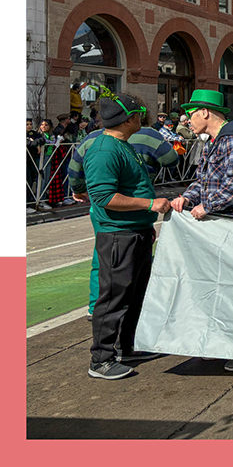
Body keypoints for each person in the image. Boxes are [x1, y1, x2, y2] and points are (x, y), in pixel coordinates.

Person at [171, 89, 233, 373]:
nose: (187, 120)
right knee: (220, 288)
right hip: (226, 225)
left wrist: (207, 206)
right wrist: (188, 197)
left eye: (190, 114)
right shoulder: (215, 141)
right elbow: (204, 180)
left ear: (205, 112)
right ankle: (221, 342)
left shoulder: (232, 140)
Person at [83, 95, 172, 380]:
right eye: (139, 113)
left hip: (134, 232)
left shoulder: (122, 145)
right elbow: (104, 196)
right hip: (118, 235)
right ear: (128, 118)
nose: (142, 117)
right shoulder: (105, 151)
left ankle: (125, 346)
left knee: (134, 295)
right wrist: (149, 205)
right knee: (114, 297)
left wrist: (145, 223)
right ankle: (101, 359)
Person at [70, 96, 179, 320]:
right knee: (123, 266)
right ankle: (112, 323)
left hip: (123, 214)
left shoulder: (96, 138)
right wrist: (149, 197)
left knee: (103, 261)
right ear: (129, 119)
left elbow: (74, 169)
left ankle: (99, 308)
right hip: (123, 214)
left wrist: (79, 189)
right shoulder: (136, 138)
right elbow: (171, 160)